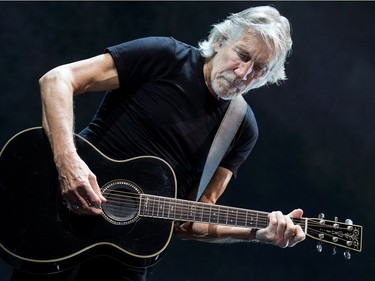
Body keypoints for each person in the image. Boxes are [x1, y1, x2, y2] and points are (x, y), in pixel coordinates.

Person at [11, 5, 305, 281]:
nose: (244, 74)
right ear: (220, 41)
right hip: (59, 213)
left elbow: (192, 220)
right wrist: (68, 163)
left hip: (127, 255)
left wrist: (256, 233)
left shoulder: (241, 127)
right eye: (241, 55)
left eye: (259, 70)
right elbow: (57, 79)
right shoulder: (166, 56)